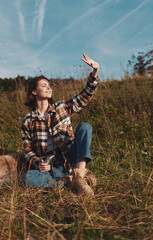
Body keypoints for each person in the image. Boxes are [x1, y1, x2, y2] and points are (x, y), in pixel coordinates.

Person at [21, 53, 99, 196]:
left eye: (49, 85)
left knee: (85, 127)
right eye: (44, 85)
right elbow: (27, 150)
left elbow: (84, 96)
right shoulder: (28, 120)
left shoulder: (62, 107)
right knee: (27, 178)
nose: (48, 88)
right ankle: (70, 181)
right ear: (34, 91)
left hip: (71, 159)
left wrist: (94, 72)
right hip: (51, 166)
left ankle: (79, 175)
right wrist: (38, 162)